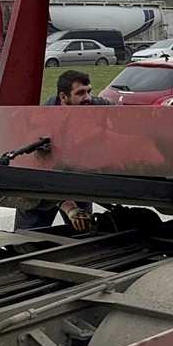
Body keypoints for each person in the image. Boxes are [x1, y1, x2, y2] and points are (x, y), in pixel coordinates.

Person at [14, 70, 113, 232]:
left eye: (89, 91)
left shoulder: (93, 104)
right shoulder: (40, 120)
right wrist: (69, 208)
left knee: (83, 230)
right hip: (41, 187)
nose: (87, 98)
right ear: (63, 97)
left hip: (77, 178)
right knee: (28, 237)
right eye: (80, 93)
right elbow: (42, 173)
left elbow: (124, 115)